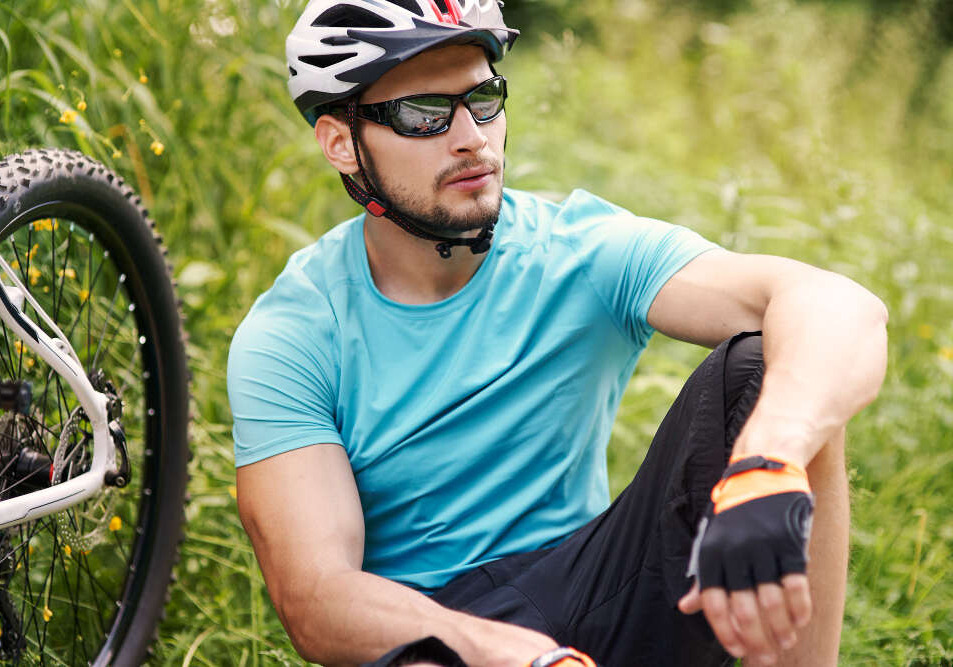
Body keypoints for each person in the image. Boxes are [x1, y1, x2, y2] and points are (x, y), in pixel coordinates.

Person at [227, 1, 888, 665]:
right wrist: (510, 655)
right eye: (425, 113)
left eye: (484, 100)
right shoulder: (294, 332)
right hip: (443, 630)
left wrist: (768, 457)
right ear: (341, 142)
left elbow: (837, 305)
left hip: (600, 587)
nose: (472, 138)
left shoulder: (574, 250)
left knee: (772, 367)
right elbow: (315, 595)